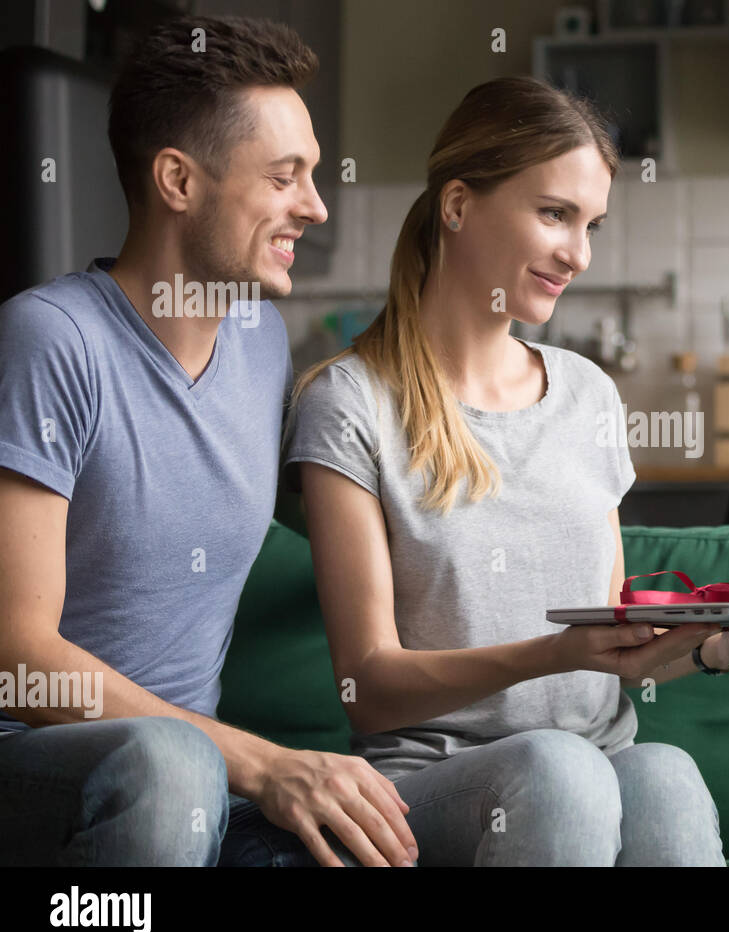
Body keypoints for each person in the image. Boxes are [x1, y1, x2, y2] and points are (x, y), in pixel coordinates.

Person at [280, 75, 729, 866]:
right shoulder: (348, 402)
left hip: (596, 764)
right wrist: (550, 653)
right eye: (554, 214)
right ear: (459, 204)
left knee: (666, 776)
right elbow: (367, 686)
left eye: (591, 225)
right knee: (560, 770)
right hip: (433, 786)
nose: (578, 253)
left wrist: (716, 650)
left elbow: (608, 640)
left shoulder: (586, 394)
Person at [0, 15, 420, 868]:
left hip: (202, 794)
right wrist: (259, 763)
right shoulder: (51, 340)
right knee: (170, 765)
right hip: (41, 765)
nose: (316, 204)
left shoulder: (261, 337)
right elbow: (18, 656)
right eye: (284, 176)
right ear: (177, 181)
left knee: (419, 826)